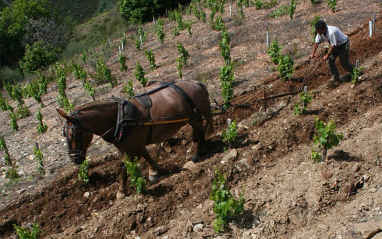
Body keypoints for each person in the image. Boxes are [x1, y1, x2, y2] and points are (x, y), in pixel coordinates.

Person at [309, 20, 354, 85]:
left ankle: (356, 72)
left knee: (344, 63)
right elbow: (317, 43)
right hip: (335, 45)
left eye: (319, 31)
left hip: (343, 45)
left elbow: (334, 45)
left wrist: (327, 54)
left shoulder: (331, 32)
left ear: (324, 29)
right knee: (329, 60)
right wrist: (313, 53)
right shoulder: (320, 33)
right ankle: (336, 78)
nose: (318, 33)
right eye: (317, 31)